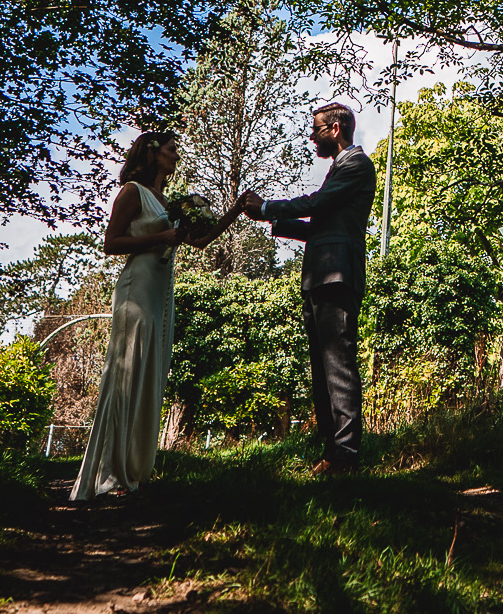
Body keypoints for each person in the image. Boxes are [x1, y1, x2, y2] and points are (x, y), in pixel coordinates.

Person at [70, 130, 243, 502]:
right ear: (152, 154)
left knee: (150, 372)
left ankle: (132, 467)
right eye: (171, 149)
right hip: (136, 289)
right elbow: (110, 243)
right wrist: (161, 238)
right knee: (128, 371)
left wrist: (235, 211)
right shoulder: (133, 192)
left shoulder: (166, 201)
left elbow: (198, 240)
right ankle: (109, 470)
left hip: (162, 292)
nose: (177, 155)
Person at [241, 101, 375, 474]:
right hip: (319, 278)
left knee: (338, 367)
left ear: (335, 129)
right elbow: (322, 224)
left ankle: (346, 457)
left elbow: (318, 204)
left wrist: (269, 206)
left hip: (338, 278)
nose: (311, 136)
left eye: (315, 129)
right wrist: (274, 221)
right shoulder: (339, 169)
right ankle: (332, 454)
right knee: (322, 370)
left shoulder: (356, 164)